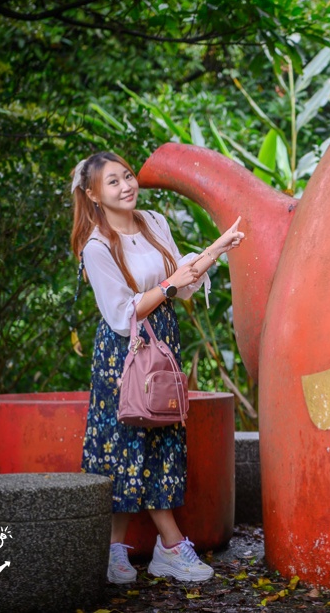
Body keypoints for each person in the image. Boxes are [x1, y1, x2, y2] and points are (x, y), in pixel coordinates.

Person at [69, 151, 244, 584]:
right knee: (129, 437)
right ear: (93, 194)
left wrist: (216, 249)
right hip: (125, 352)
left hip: (162, 341)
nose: (126, 185)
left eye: (128, 176)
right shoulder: (96, 245)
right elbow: (121, 314)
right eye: (113, 182)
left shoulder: (154, 223)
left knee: (161, 433)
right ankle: (166, 544)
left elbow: (183, 286)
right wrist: (169, 284)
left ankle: (118, 549)